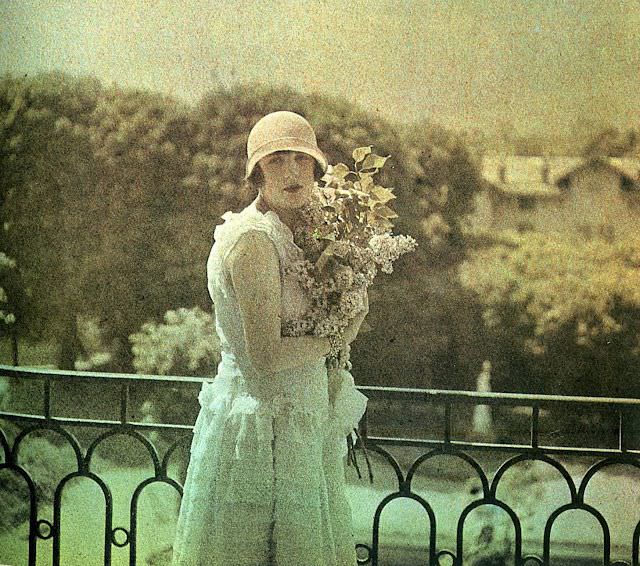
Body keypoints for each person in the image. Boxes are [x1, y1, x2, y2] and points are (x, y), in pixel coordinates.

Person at [171, 111, 369, 566]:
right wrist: (343, 332)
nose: (293, 172)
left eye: (302, 159)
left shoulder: (297, 232)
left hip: (298, 426)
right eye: (276, 160)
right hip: (261, 431)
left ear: (317, 168)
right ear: (256, 172)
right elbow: (266, 356)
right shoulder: (253, 240)